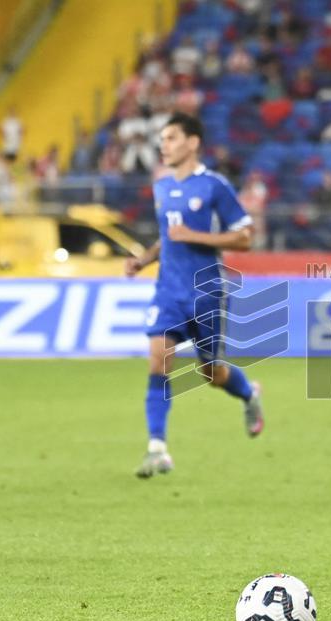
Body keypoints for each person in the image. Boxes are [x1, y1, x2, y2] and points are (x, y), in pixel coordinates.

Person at [125, 112, 264, 479]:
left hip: (206, 292)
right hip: (168, 291)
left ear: (192, 142)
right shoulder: (161, 188)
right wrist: (143, 260)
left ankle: (249, 394)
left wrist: (195, 237)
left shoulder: (214, 186)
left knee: (211, 373)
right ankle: (157, 448)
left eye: (171, 138)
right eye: (162, 140)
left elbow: (245, 237)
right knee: (158, 359)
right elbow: (168, 237)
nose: (164, 145)